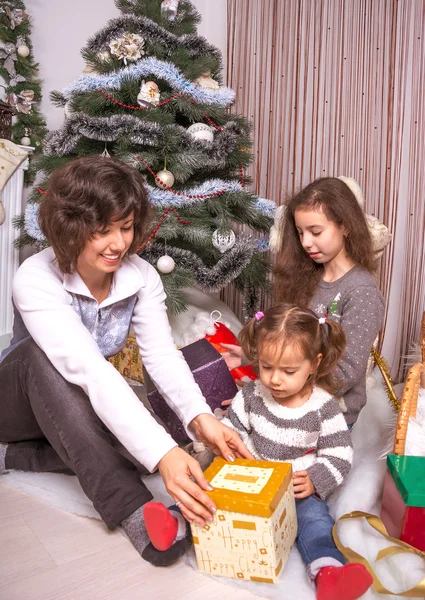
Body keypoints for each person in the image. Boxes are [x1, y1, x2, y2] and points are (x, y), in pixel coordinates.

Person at [0, 155, 252, 567]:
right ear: (70, 228)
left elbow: (161, 357)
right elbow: (91, 372)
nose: (118, 243)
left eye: (126, 227)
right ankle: (136, 511)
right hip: (16, 401)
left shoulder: (141, 277)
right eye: (102, 231)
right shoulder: (35, 276)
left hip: (72, 408)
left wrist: (200, 418)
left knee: (150, 444)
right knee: (40, 358)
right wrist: (165, 456)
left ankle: (11, 457)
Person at [141, 305, 373, 599]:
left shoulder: (323, 407)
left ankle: (328, 572)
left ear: (314, 364)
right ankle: (172, 524)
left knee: (315, 522)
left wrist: (315, 478)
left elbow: (339, 455)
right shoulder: (251, 394)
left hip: (294, 486)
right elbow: (233, 428)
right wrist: (233, 454)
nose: (275, 380)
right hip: (249, 477)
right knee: (206, 497)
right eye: (266, 367)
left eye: (289, 371)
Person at [223, 177, 385, 427]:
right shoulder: (306, 278)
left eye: (316, 232)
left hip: (328, 417)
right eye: (300, 233)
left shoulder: (361, 291)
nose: (306, 242)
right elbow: (290, 346)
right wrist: (251, 358)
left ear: (345, 226)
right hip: (291, 401)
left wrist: (273, 398)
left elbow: (344, 374)